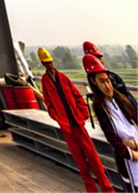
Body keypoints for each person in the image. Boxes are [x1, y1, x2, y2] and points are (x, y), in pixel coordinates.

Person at [38, 46, 114, 193]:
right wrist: (59, 119)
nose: (50, 65)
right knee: (80, 161)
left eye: (50, 62)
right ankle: (91, 189)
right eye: (46, 63)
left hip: (78, 125)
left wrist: (82, 115)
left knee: (93, 158)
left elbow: (78, 97)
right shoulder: (45, 82)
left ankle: (107, 189)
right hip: (67, 128)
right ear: (43, 64)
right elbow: (49, 103)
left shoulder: (64, 78)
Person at [84, 54, 138, 192]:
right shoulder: (100, 107)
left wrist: (134, 144)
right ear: (93, 82)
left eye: (108, 80)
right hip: (129, 160)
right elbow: (113, 139)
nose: (107, 86)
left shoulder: (122, 99)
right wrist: (133, 154)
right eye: (102, 81)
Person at [83, 42, 137, 112]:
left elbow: (127, 95)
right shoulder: (99, 104)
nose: (107, 86)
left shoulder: (112, 76)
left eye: (107, 81)